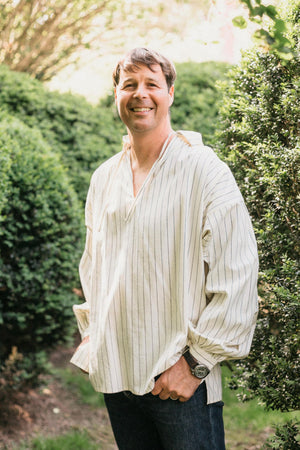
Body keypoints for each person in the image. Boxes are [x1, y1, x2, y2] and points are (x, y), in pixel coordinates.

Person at [71, 47, 259, 450]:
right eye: (129, 85)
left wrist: (195, 365)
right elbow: (95, 267)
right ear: (116, 96)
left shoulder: (205, 171)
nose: (140, 94)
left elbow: (238, 275)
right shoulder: (104, 178)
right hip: (118, 378)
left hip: (179, 383)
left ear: (170, 92)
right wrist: (95, 335)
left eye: (152, 83)